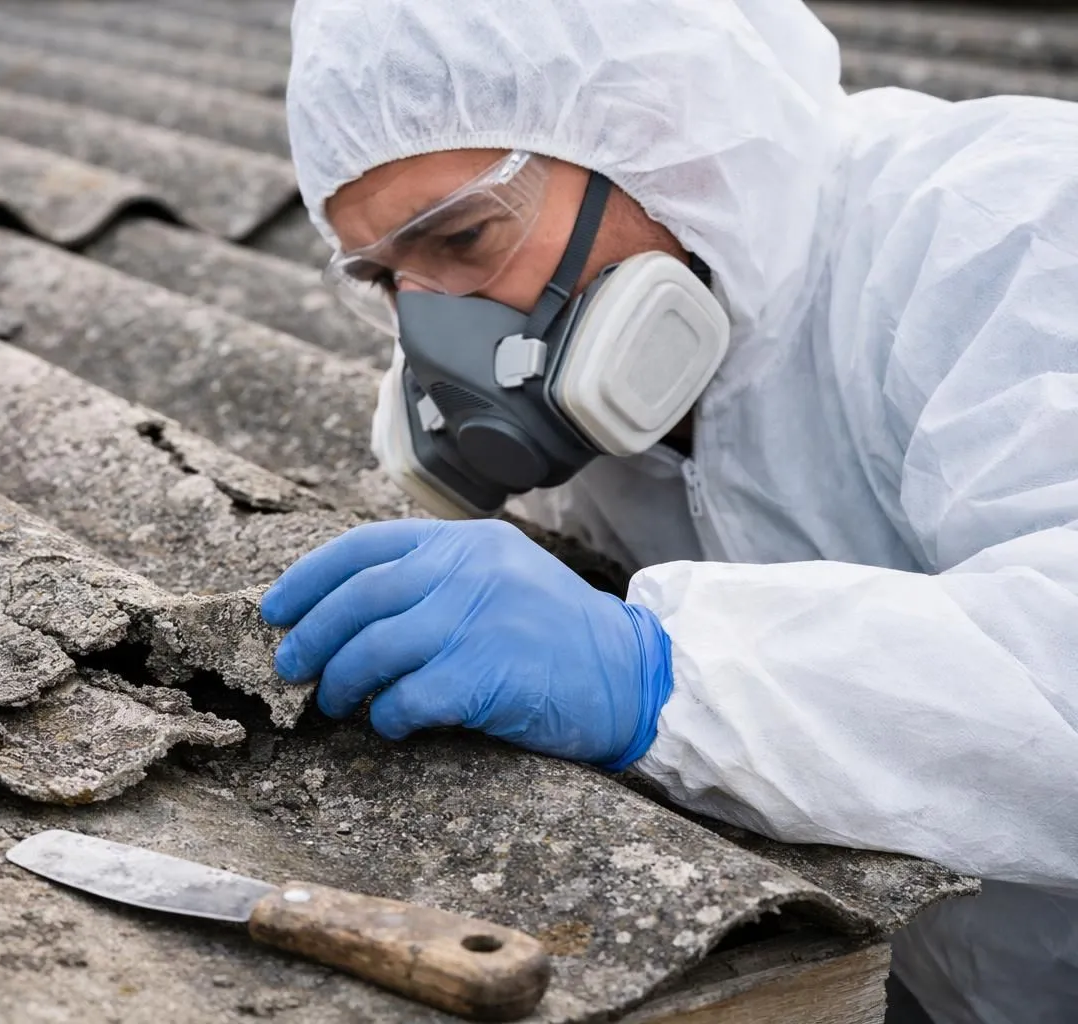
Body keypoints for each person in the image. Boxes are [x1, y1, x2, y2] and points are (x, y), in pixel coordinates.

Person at [258, 1, 1078, 1021]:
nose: (436, 336)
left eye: (465, 236)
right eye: (388, 278)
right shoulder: (602, 428)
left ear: (656, 134)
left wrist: (663, 671)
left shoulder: (1003, 227)